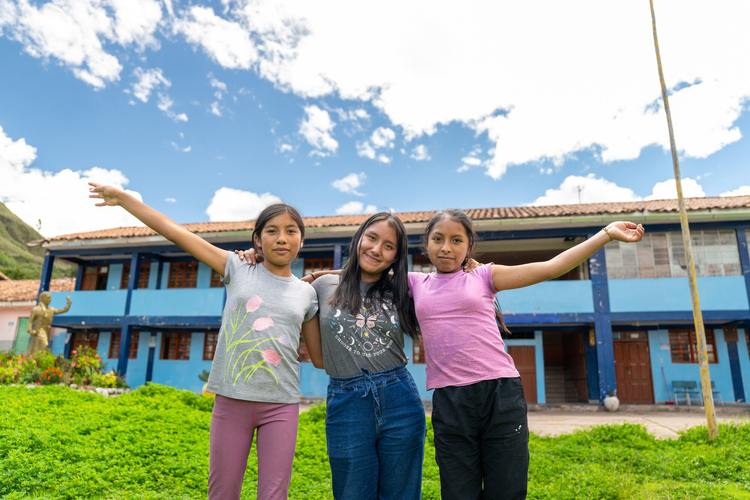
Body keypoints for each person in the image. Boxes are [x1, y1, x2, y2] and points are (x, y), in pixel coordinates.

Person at [88, 182, 323, 500]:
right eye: (272, 231)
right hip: (231, 401)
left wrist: (327, 277)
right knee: (222, 493)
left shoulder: (307, 294)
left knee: (273, 496)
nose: (282, 238)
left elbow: (320, 358)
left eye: (291, 231)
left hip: (281, 405)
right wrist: (126, 200)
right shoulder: (238, 267)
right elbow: (177, 233)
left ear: (302, 239)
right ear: (257, 239)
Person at [409, 208, 644, 500]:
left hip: (500, 395)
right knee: (458, 493)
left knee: (506, 491)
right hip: (451, 401)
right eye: (438, 239)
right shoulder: (415, 283)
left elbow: (551, 266)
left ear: (469, 247)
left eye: (457, 240)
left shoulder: (484, 276)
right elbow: (358, 274)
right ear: (426, 244)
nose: (446, 247)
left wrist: (606, 234)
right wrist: (332, 276)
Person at [241, 212, 428, 499]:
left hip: (399, 396)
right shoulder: (320, 286)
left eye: (389, 246)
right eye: (372, 238)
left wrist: (471, 265)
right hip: (347, 399)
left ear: (395, 257)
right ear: (359, 239)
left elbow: (447, 280)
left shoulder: (403, 289)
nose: (377, 249)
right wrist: (251, 259)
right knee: (352, 492)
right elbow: (319, 359)